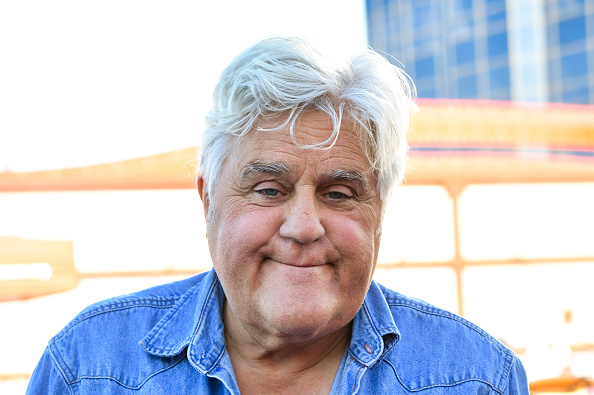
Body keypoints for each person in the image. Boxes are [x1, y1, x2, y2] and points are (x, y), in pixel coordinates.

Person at [27, 36, 529, 394]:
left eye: (338, 193)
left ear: (379, 214)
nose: (305, 227)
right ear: (208, 200)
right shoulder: (86, 367)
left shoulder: (477, 378)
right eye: (269, 190)